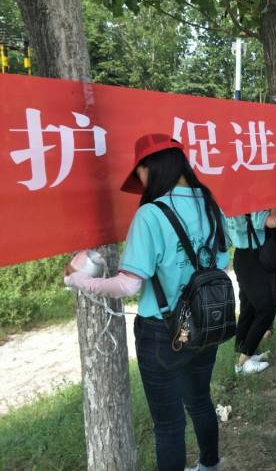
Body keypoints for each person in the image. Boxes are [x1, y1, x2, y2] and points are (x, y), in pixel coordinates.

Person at [64, 133, 228, 471]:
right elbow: (221, 264)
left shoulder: (151, 215)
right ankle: (210, 465)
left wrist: (79, 280)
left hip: (163, 332)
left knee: (168, 425)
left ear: (152, 167)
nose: (141, 182)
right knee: (200, 401)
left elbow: (128, 284)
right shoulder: (210, 204)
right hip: (205, 322)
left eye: (139, 173)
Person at [225, 207, 276, 374]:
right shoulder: (250, 201)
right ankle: (243, 361)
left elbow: (226, 235)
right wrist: (274, 205)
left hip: (241, 255)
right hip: (254, 258)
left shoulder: (228, 202)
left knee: (248, 308)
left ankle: (243, 355)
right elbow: (271, 222)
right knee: (266, 309)